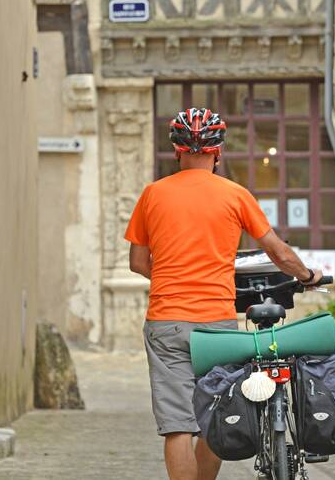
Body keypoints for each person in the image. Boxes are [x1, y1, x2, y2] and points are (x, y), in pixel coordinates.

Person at [125, 107, 324, 480]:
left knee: (178, 426)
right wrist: (307, 274)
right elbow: (277, 251)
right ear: (218, 152)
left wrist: (170, 276)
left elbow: (137, 262)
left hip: (166, 320)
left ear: (176, 150)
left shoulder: (153, 195)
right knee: (214, 417)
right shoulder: (236, 195)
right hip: (216, 323)